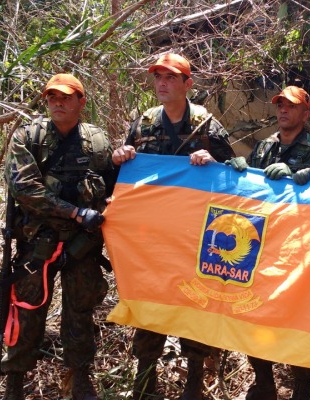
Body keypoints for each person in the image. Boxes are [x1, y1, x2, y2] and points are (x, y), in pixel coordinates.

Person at [111, 53, 235, 400]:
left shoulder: (207, 126)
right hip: (151, 239)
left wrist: (213, 161)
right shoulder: (144, 123)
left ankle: (194, 380)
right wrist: (120, 157)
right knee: (151, 303)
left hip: (193, 238)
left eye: (170, 77)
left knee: (194, 305)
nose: (162, 84)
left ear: (187, 84)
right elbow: (123, 177)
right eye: (158, 77)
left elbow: (233, 179)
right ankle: (145, 380)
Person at [2, 73, 116, 400]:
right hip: (38, 244)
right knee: (26, 311)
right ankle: (14, 382)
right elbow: (25, 189)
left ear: (81, 102)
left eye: (65, 97)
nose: (57, 103)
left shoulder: (97, 141)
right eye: (52, 97)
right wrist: (75, 211)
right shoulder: (29, 137)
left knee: (80, 312)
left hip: (82, 247)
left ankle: (79, 378)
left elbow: (114, 188)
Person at [226, 85, 310, 400]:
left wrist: (297, 180)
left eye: (291, 106)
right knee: (256, 315)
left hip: (300, 248)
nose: (283, 110)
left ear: (306, 112)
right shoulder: (263, 148)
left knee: (299, 317)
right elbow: (250, 195)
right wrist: (239, 173)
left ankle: (302, 386)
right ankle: (264, 382)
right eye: (280, 105)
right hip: (263, 245)